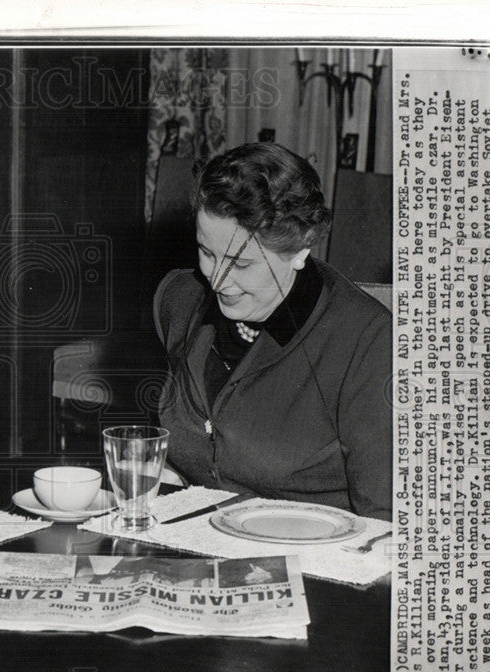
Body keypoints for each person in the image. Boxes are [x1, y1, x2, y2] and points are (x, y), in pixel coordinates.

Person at [153, 142, 392, 520]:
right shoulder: (178, 300)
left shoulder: (368, 342)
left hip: (319, 563)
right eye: (207, 252)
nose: (217, 280)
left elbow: (387, 529)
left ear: (300, 249)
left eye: (242, 264)